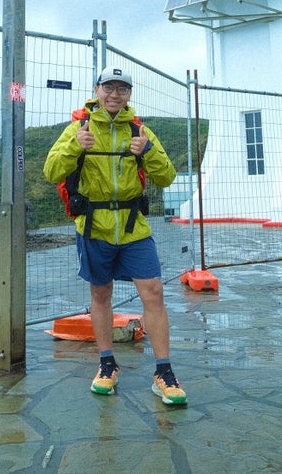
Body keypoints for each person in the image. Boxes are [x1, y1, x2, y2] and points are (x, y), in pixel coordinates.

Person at [44, 66, 186, 405]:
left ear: (129, 94)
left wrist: (147, 151)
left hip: (133, 225)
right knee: (101, 293)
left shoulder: (140, 130)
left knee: (153, 293)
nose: (114, 94)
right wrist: (74, 148)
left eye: (122, 89)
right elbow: (51, 171)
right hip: (95, 226)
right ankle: (107, 364)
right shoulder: (79, 128)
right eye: (109, 87)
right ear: (97, 90)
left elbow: (166, 177)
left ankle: (164, 372)